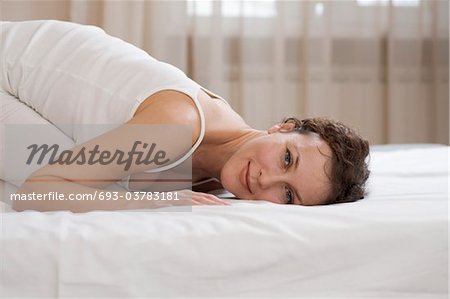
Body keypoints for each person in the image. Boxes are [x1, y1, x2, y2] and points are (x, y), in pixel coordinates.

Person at [1, 20, 370, 212]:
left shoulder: (219, 176)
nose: (265, 179)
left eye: (288, 196)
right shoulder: (180, 126)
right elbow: (38, 191)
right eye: (286, 157)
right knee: (87, 190)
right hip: (7, 71)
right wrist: (150, 202)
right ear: (283, 128)